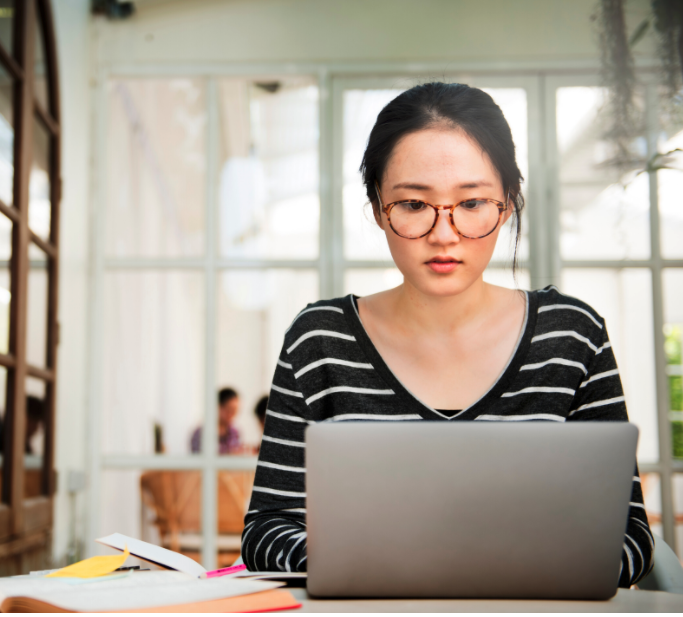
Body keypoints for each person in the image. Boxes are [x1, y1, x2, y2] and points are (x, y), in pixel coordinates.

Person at [241, 82, 654, 587]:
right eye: (414, 205)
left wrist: (440, 560)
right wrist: (413, 561)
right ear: (378, 209)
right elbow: (266, 532)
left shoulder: (572, 335)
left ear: (506, 206)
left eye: (473, 202)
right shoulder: (319, 340)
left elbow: (630, 538)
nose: (444, 233)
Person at [190, 387, 242, 454]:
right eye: (229, 410)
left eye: (235, 411)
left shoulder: (235, 433)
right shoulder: (200, 433)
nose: (232, 415)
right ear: (218, 406)